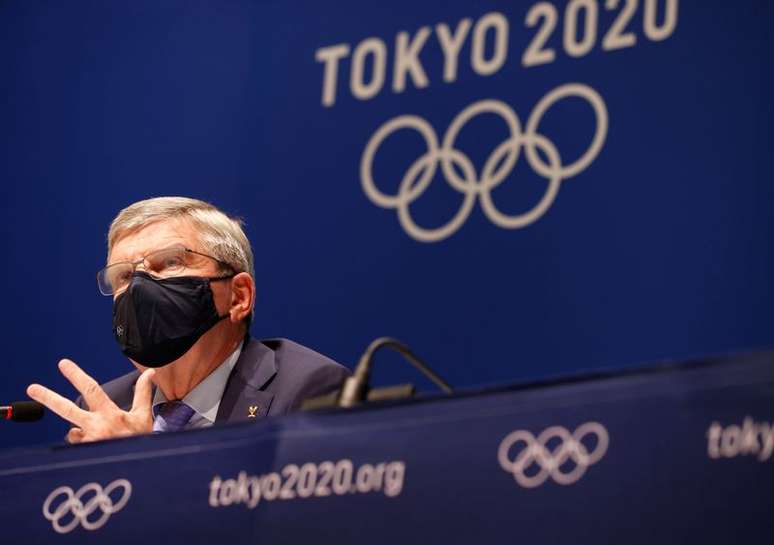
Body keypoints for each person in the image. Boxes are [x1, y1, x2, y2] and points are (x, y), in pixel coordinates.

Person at [26, 196, 349, 443]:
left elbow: (294, 526)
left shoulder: (308, 389)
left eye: (168, 263)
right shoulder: (106, 411)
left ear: (238, 296)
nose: (139, 287)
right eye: (124, 275)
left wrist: (134, 464)